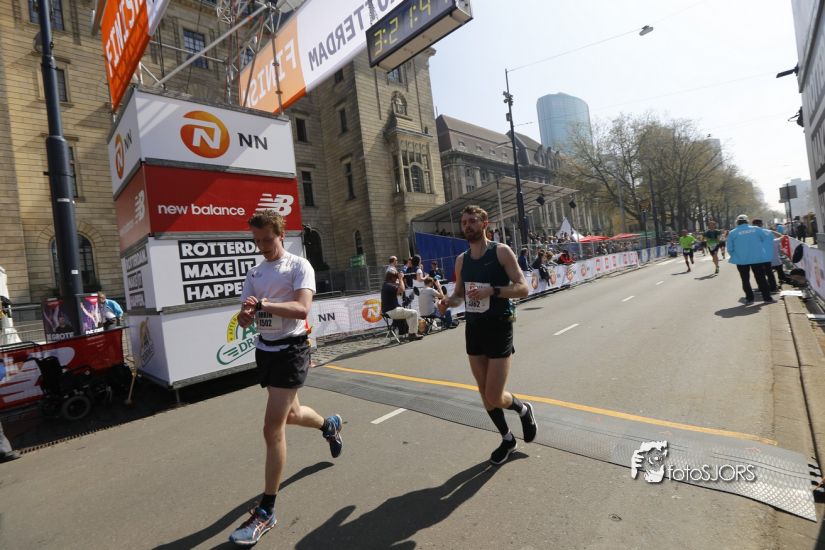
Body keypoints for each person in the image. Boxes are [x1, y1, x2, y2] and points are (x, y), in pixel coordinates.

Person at [229, 210, 343, 546]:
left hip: (292, 350)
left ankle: (267, 511)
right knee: (291, 414)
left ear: (281, 235)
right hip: (265, 350)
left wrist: (264, 304)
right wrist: (246, 314)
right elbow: (246, 316)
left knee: (271, 428)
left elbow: (302, 309)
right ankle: (329, 426)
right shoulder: (254, 272)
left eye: (268, 239)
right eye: (257, 241)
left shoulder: (298, 266)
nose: (263, 246)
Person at [438, 205, 537, 465]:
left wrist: (492, 291)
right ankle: (507, 439)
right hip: (474, 328)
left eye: (472, 221)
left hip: (499, 326)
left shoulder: (501, 251)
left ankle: (523, 409)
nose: (467, 226)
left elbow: (523, 288)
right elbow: (459, 296)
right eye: (464, 222)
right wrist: (447, 302)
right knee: (484, 393)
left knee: (494, 395)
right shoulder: (462, 260)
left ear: (485, 224)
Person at [726, 214, 774, 305]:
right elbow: (765, 238)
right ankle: (767, 298)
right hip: (757, 259)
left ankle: (749, 299)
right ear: (747, 221)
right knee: (761, 279)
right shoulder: (756, 229)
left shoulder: (733, 232)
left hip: (741, 260)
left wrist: (736, 256)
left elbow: (729, 248)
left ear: (737, 222)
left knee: (745, 280)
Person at [381, 268, 424, 341]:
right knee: (414, 313)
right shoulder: (388, 286)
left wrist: (399, 280)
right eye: (395, 277)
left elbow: (399, 291)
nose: (396, 279)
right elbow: (402, 289)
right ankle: (412, 334)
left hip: (390, 310)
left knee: (410, 314)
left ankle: (411, 332)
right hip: (391, 311)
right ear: (392, 278)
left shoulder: (386, 285)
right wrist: (400, 278)